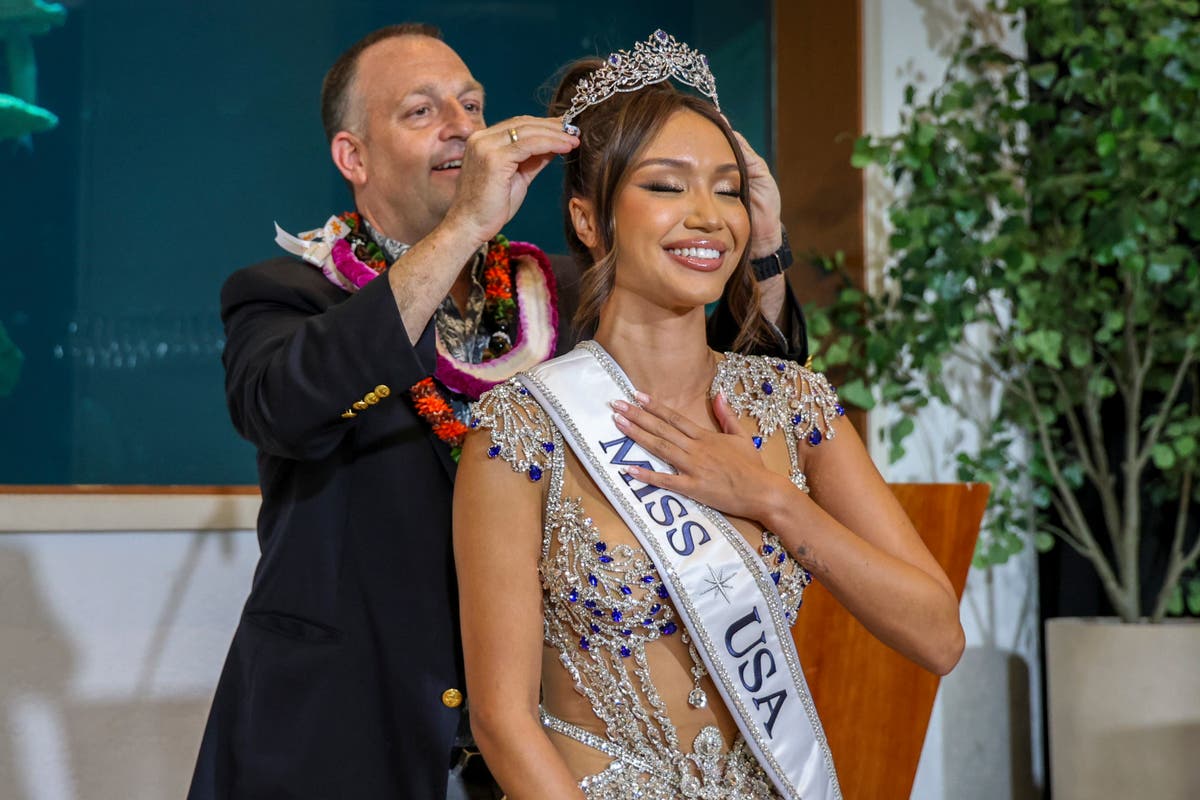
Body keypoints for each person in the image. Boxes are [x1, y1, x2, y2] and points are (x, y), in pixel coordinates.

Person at [189, 23, 807, 800]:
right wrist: (463, 227)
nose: (460, 126)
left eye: (472, 105)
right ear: (354, 157)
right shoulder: (287, 292)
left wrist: (767, 245)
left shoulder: (560, 295)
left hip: (533, 738)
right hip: (344, 729)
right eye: (420, 112)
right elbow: (282, 406)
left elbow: (759, 402)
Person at [453, 31, 965, 800]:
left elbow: (937, 635)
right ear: (590, 220)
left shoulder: (794, 406)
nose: (706, 216)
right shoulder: (522, 429)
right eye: (666, 186)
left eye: (726, 189)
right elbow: (500, 721)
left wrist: (770, 499)